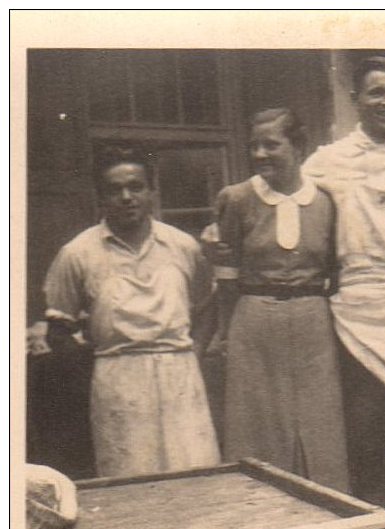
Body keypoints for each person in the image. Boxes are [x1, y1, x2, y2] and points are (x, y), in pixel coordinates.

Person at [43, 146, 221, 478]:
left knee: (196, 474)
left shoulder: (183, 246)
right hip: (118, 378)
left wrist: (193, 353)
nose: (127, 197)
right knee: (130, 477)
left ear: (151, 191)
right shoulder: (78, 253)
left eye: (136, 186)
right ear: (100, 197)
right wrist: (97, 373)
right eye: (114, 189)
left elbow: (207, 305)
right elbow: (59, 329)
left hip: (180, 373)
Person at [212, 108, 349, 493]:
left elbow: (335, 269)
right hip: (254, 322)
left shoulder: (325, 201)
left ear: (299, 146)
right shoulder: (236, 199)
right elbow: (226, 278)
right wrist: (225, 336)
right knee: (257, 424)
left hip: (312, 321)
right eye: (253, 146)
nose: (259, 154)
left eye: (271, 144)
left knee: (319, 423)